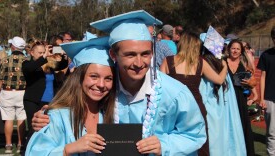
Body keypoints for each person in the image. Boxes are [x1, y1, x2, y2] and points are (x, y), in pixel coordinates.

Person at [32, 10, 206, 155]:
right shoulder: (107, 91)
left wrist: (165, 145)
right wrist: (47, 115)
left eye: (145, 53)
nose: (139, 63)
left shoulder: (175, 94)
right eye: (130, 54)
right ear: (114, 56)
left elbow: (194, 135)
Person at [25, 36, 115, 155]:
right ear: (79, 77)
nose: (101, 84)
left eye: (109, 78)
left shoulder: (114, 113)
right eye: (94, 76)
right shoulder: (57, 116)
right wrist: (68, 150)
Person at [160, 31, 228, 156]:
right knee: (200, 145)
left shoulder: (168, 61)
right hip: (196, 108)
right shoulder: (200, 62)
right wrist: (225, 66)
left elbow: (159, 86)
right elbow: (219, 80)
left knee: (174, 145)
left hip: (173, 109)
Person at [200, 46, 246, 156]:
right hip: (223, 107)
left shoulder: (203, 63)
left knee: (212, 138)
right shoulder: (222, 64)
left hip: (209, 106)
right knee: (224, 135)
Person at [22, 40, 68, 145]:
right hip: (33, 101)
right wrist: (44, 57)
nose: (43, 54)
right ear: (32, 53)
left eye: (44, 52)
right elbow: (30, 68)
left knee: (49, 128)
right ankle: (29, 150)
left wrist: (64, 55)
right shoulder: (27, 64)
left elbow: (62, 65)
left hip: (49, 102)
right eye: (40, 53)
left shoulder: (49, 64)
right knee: (34, 129)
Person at [0, 36, 27, 154]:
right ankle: (20, 143)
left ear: (13, 47)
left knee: (8, 119)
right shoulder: (27, 60)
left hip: (7, 92)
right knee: (21, 119)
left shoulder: (4, 60)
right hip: (22, 93)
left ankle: (8, 145)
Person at [226, 39, 256, 155]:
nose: (235, 51)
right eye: (233, 48)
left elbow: (254, 83)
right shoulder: (223, 62)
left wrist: (249, 84)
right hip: (226, 99)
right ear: (229, 49)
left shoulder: (245, 65)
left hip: (240, 99)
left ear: (241, 51)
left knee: (242, 127)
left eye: (238, 49)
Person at [257, 26, 275, 156]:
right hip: (270, 98)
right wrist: (262, 99)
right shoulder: (266, 55)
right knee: (272, 133)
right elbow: (262, 77)